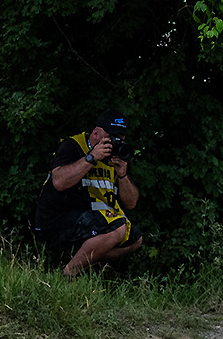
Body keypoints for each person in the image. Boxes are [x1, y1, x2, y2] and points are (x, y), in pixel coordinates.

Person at [34, 111, 144, 277]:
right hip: (58, 219)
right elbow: (59, 182)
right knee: (118, 229)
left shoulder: (119, 156)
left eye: (120, 138)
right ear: (95, 134)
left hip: (94, 220)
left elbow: (131, 203)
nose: (115, 143)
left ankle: (77, 262)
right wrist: (91, 158)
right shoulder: (73, 146)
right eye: (111, 138)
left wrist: (122, 175)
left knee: (135, 239)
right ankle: (67, 274)